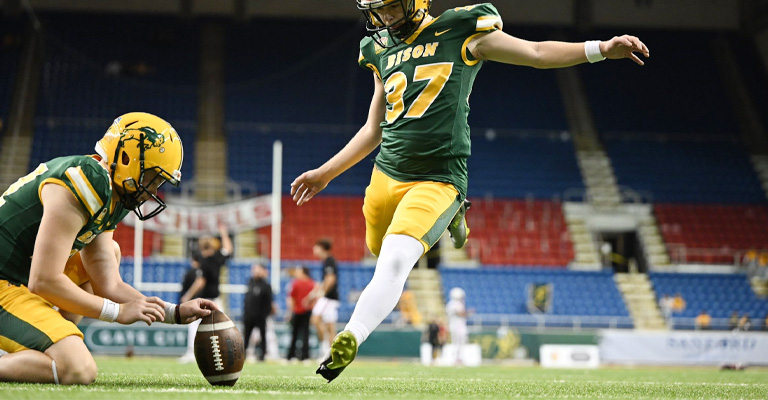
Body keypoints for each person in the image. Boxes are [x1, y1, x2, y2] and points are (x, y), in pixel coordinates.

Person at [290, 0, 649, 382]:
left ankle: (351, 337)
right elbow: (374, 127)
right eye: (379, 9)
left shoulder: (461, 29)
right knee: (379, 250)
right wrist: (326, 173)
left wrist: (601, 49)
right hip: (387, 174)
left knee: (395, 260)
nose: (386, 17)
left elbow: (537, 52)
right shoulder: (378, 48)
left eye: (393, 6)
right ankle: (454, 217)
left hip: (438, 177)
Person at [0, 112, 218, 385]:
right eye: (152, 177)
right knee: (79, 370)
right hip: (5, 281)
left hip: (19, 276)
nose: (153, 189)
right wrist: (117, 313)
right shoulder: (88, 180)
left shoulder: (111, 194)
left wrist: (174, 312)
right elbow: (43, 280)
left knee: (111, 252)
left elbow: (107, 283)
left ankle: (49, 343)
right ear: (126, 157)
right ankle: (57, 350)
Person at [178, 222, 233, 363]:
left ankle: (192, 352)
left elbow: (200, 281)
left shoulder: (204, 260)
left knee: (193, 325)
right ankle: (224, 354)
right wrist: (224, 233)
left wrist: (188, 296)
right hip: (217, 299)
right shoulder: (217, 257)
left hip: (204, 300)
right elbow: (228, 248)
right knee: (220, 327)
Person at [309, 238, 340, 357]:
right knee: (330, 326)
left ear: (322, 248)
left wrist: (322, 293)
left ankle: (325, 348)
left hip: (328, 298)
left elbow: (330, 279)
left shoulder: (329, 261)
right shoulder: (328, 261)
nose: (314, 250)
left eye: (316, 247)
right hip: (332, 299)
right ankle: (332, 354)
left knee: (315, 320)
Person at [243, 263, 275, 362]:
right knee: (246, 336)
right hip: (249, 316)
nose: (255, 271)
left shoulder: (266, 285)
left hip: (260, 316)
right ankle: (243, 355)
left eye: (257, 269)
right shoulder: (250, 282)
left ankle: (263, 355)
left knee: (263, 335)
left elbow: (269, 302)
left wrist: (264, 315)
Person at [285, 266, 316, 361]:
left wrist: (290, 311)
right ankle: (304, 356)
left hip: (298, 311)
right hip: (305, 311)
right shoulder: (312, 284)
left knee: (296, 334)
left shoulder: (296, 283)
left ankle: (291, 356)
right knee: (305, 334)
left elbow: (291, 299)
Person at [445, 287, 469, 365]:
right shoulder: (452, 304)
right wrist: (468, 313)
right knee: (457, 343)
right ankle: (456, 359)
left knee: (461, 342)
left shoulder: (458, 303)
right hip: (456, 325)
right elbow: (460, 313)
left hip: (459, 325)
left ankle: (459, 358)